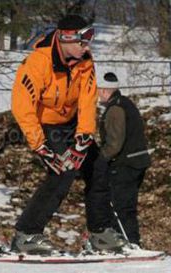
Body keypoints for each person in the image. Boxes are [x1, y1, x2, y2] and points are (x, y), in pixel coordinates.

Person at [10, 14, 113, 254]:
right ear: (66, 38)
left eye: (89, 41)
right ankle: (27, 234)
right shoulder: (37, 62)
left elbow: (88, 99)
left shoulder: (85, 61)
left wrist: (84, 136)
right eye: (82, 41)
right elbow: (22, 105)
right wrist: (40, 146)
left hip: (71, 123)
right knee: (63, 171)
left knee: (98, 167)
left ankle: (100, 234)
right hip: (45, 126)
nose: (87, 46)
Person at [88, 72, 151, 248]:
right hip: (136, 162)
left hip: (125, 164)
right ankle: (129, 242)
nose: (96, 94)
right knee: (126, 206)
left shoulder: (115, 109)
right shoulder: (126, 103)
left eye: (98, 90)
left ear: (104, 90)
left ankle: (129, 244)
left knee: (119, 207)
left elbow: (114, 144)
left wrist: (100, 160)